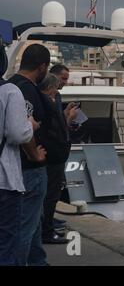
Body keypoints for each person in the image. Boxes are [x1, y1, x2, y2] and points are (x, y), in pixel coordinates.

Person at [8, 44, 50, 266]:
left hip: (18, 169)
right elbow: (24, 126)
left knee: (33, 224)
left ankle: (38, 262)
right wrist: (35, 154)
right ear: (42, 67)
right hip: (29, 170)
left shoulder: (10, 84)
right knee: (24, 227)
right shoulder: (27, 89)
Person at [0, 48, 40, 265]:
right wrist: (30, 125)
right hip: (4, 181)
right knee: (7, 243)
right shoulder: (9, 91)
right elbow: (17, 133)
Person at [38, 73, 73, 244]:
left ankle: (45, 225)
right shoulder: (48, 103)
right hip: (53, 157)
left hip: (49, 156)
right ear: (51, 87)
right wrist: (68, 119)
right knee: (51, 195)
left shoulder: (44, 101)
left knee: (46, 194)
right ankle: (47, 231)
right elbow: (55, 131)